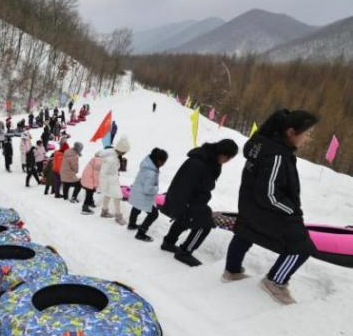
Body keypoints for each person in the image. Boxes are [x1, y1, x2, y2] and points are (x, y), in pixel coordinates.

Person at [223, 110, 318, 305]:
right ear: (291, 132)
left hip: (250, 206)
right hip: (266, 210)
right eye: (306, 133)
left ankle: (231, 271)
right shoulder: (276, 155)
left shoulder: (262, 144)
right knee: (302, 246)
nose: (308, 138)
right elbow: (269, 194)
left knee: (245, 230)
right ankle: (275, 282)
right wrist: (291, 210)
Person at [161, 139, 239, 267]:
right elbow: (183, 185)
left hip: (193, 199)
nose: (227, 161)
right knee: (205, 224)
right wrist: (183, 206)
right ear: (223, 154)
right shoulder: (199, 162)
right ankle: (185, 252)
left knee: (185, 219)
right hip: (186, 199)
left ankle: (168, 242)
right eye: (228, 158)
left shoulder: (210, 160)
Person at [128, 148, 169, 241]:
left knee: (136, 206)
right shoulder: (151, 172)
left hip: (137, 192)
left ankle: (131, 224)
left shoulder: (146, 166)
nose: (163, 164)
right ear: (159, 160)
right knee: (154, 214)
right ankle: (141, 233)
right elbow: (148, 189)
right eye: (163, 162)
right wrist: (156, 188)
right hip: (143, 195)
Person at [98, 136, 130, 225]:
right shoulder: (112, 159)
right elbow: (107, 171)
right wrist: (113, 181)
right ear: (122, 150)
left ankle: (104, 212)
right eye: (125, 151)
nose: (125, 153)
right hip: (110, 180)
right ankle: (118, 216)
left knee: (108, 194)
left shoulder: (111, 152)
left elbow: (99, 153)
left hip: (109, 179)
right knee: (118, 197)